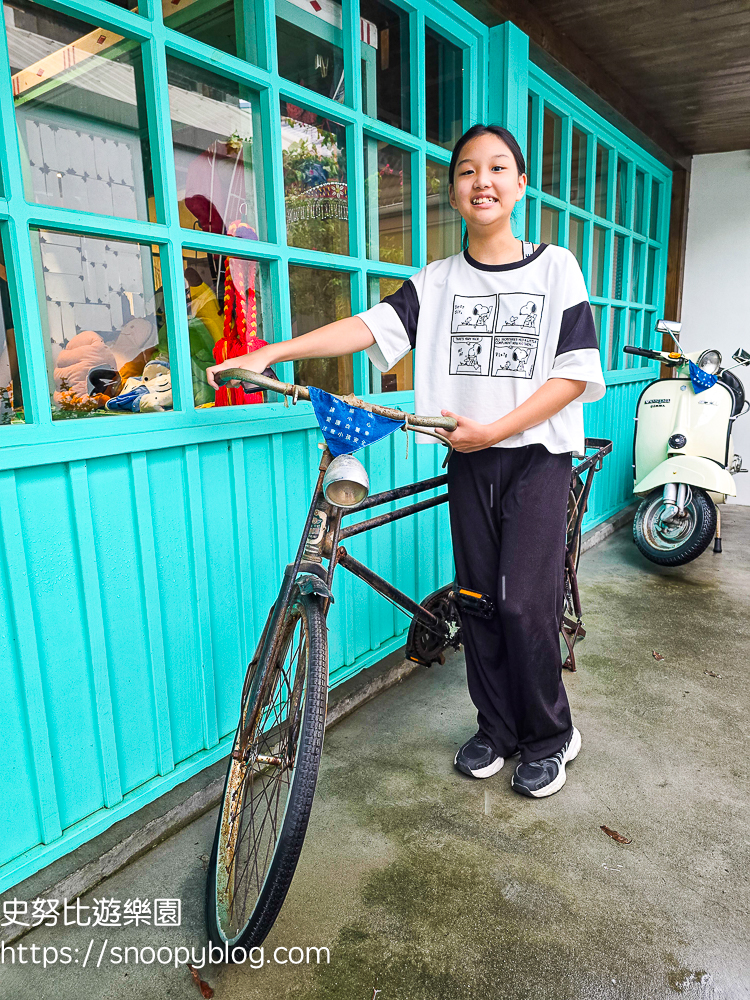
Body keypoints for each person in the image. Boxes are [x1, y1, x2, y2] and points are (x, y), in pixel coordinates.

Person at [207, 123, 606, 799]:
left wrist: (497, 430)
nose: (482, 180)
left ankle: (550, 734)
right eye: (467, 171)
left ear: (519, 185)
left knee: (523, 608)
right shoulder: (438, 281)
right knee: (479, 602)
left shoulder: (555, 265)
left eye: (498, 168)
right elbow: (368, 326)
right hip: (468, 461)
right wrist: (272, 353)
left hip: (538, 459)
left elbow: (573, 375)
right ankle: (498, 728)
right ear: (453, 190)